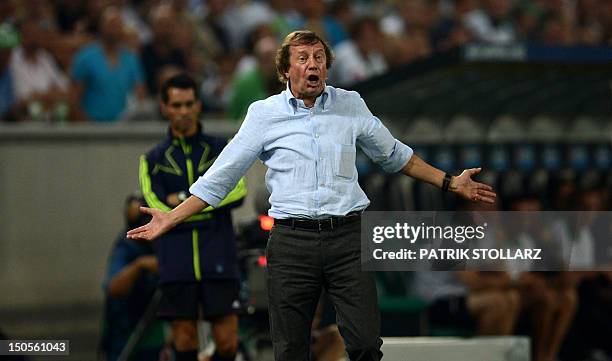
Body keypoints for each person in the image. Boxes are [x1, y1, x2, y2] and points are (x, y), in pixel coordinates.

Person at [128, 30, 496, 361]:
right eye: (302, 58)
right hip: (291, 242)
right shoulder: (263, 114)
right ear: (286, 70)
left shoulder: (350, 104)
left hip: (348, 239)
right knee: (290, 350)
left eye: (319, 58)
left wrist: (449, 182)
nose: (312, 64)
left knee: (366, 344)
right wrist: (170, 217)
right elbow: (220, 179)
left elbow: (397, 156)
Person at [138, 73, 247, 361]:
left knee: (226, 342)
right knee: (184, 338)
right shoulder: (152, 159)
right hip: (176, 258)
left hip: (219, 255)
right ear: (165, 108)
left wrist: (183, 203)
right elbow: (156, 207)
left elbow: (237, 193)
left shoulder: (221, 149)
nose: (183, 112)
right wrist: (209, 201)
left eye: (188, 104)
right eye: (176, 105)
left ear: (198, 105)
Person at [100, 194, 167, 361]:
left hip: (155, 333)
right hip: (126, 329)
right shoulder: (127, 246)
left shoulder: (164, 241)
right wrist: (140, 265)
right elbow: (113, 288)